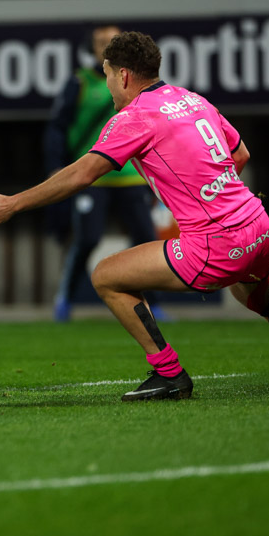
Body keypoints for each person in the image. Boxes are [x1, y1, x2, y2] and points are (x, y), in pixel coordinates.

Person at [0, 31, 269, 401]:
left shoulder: (135, 117)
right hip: (257, 225)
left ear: (122, 75)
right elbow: (240, 156)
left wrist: (13, 203)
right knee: (262, 296)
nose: (107, 85)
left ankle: (169, 374)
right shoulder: (193, 99)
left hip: (215, 245)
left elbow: (82, 173)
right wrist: (216, 195)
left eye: (107, 75)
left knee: (105, 275)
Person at [44, 25, 164, 322]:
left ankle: (154, 305)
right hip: (93, 176)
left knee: (146, 240)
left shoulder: (138, 83)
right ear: (92, 48)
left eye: (110, 41)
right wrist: (56, 164)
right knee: (87, 239)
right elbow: (58, 126)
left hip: (132, 175)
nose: (104, 46)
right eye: (99, 42)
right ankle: (65, 301)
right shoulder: (79, 82)